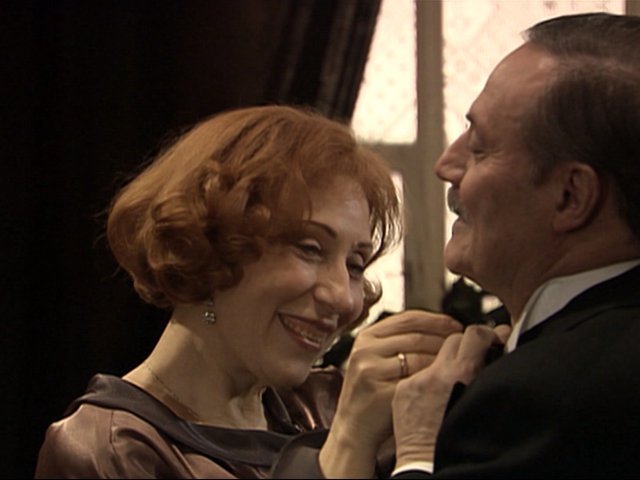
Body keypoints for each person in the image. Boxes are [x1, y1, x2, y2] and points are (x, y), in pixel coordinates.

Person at [34, 105, 462, 478]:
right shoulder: (110, 450)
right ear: (207, 245)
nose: (344, 298)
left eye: (355, 264)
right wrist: (349, 445)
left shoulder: (328, 405)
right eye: (310, 248)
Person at [390, 12, 640, 478]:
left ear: (571, 197)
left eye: (479, 147)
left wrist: (418, 450)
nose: (446, 164)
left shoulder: (545, 394)